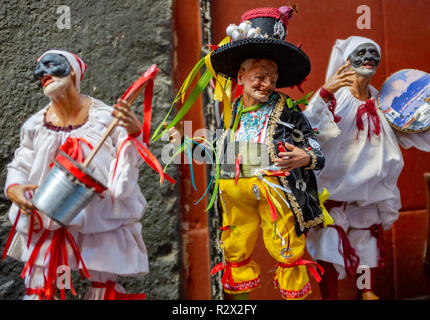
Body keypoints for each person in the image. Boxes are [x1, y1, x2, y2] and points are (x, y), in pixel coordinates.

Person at [169, 6, 327, 300]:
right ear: (241, 76)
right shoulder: (232, 112)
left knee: (286, 248)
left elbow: (314, 145)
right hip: (235, 191)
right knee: (235, 250)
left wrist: (306, 157)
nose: (267, 84)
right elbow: (220, 152)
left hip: (274, 190)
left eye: (272, 78)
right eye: (259, 77)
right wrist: (183, 142)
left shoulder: (287, 112)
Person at [3, 49, 149, 300]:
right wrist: (14, 188)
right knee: (40, 282)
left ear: (72, 71)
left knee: (104, 282)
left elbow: (131, 160)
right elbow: (22, 162)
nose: (43, 74)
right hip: (47, 212)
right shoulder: (35, 125)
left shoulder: (106, 118)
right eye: (40, 71)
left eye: (51, 65)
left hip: (99, 215)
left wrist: (135, 133)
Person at [303, 36, 430, 300]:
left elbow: (405, 133)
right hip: (335, 189)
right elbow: (308, 128)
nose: (368, 57)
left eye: (374, 53)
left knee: (366, 243)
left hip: (368, 192)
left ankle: (367, 292)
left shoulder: (383, 102)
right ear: (347, 60)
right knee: (327, 245)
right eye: (361, 52)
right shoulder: (333, 99)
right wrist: (325, 93)